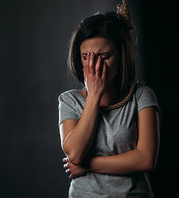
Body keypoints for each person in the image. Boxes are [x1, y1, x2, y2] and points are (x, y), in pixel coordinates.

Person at [58, 1, 161, 197]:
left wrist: (88, 166)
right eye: (86, 57)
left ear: (121, 56)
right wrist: (94, 96)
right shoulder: (69, 101)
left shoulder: (141, 96)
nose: (94, 64)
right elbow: (75, 154)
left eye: (103, 56)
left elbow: (146, 159)